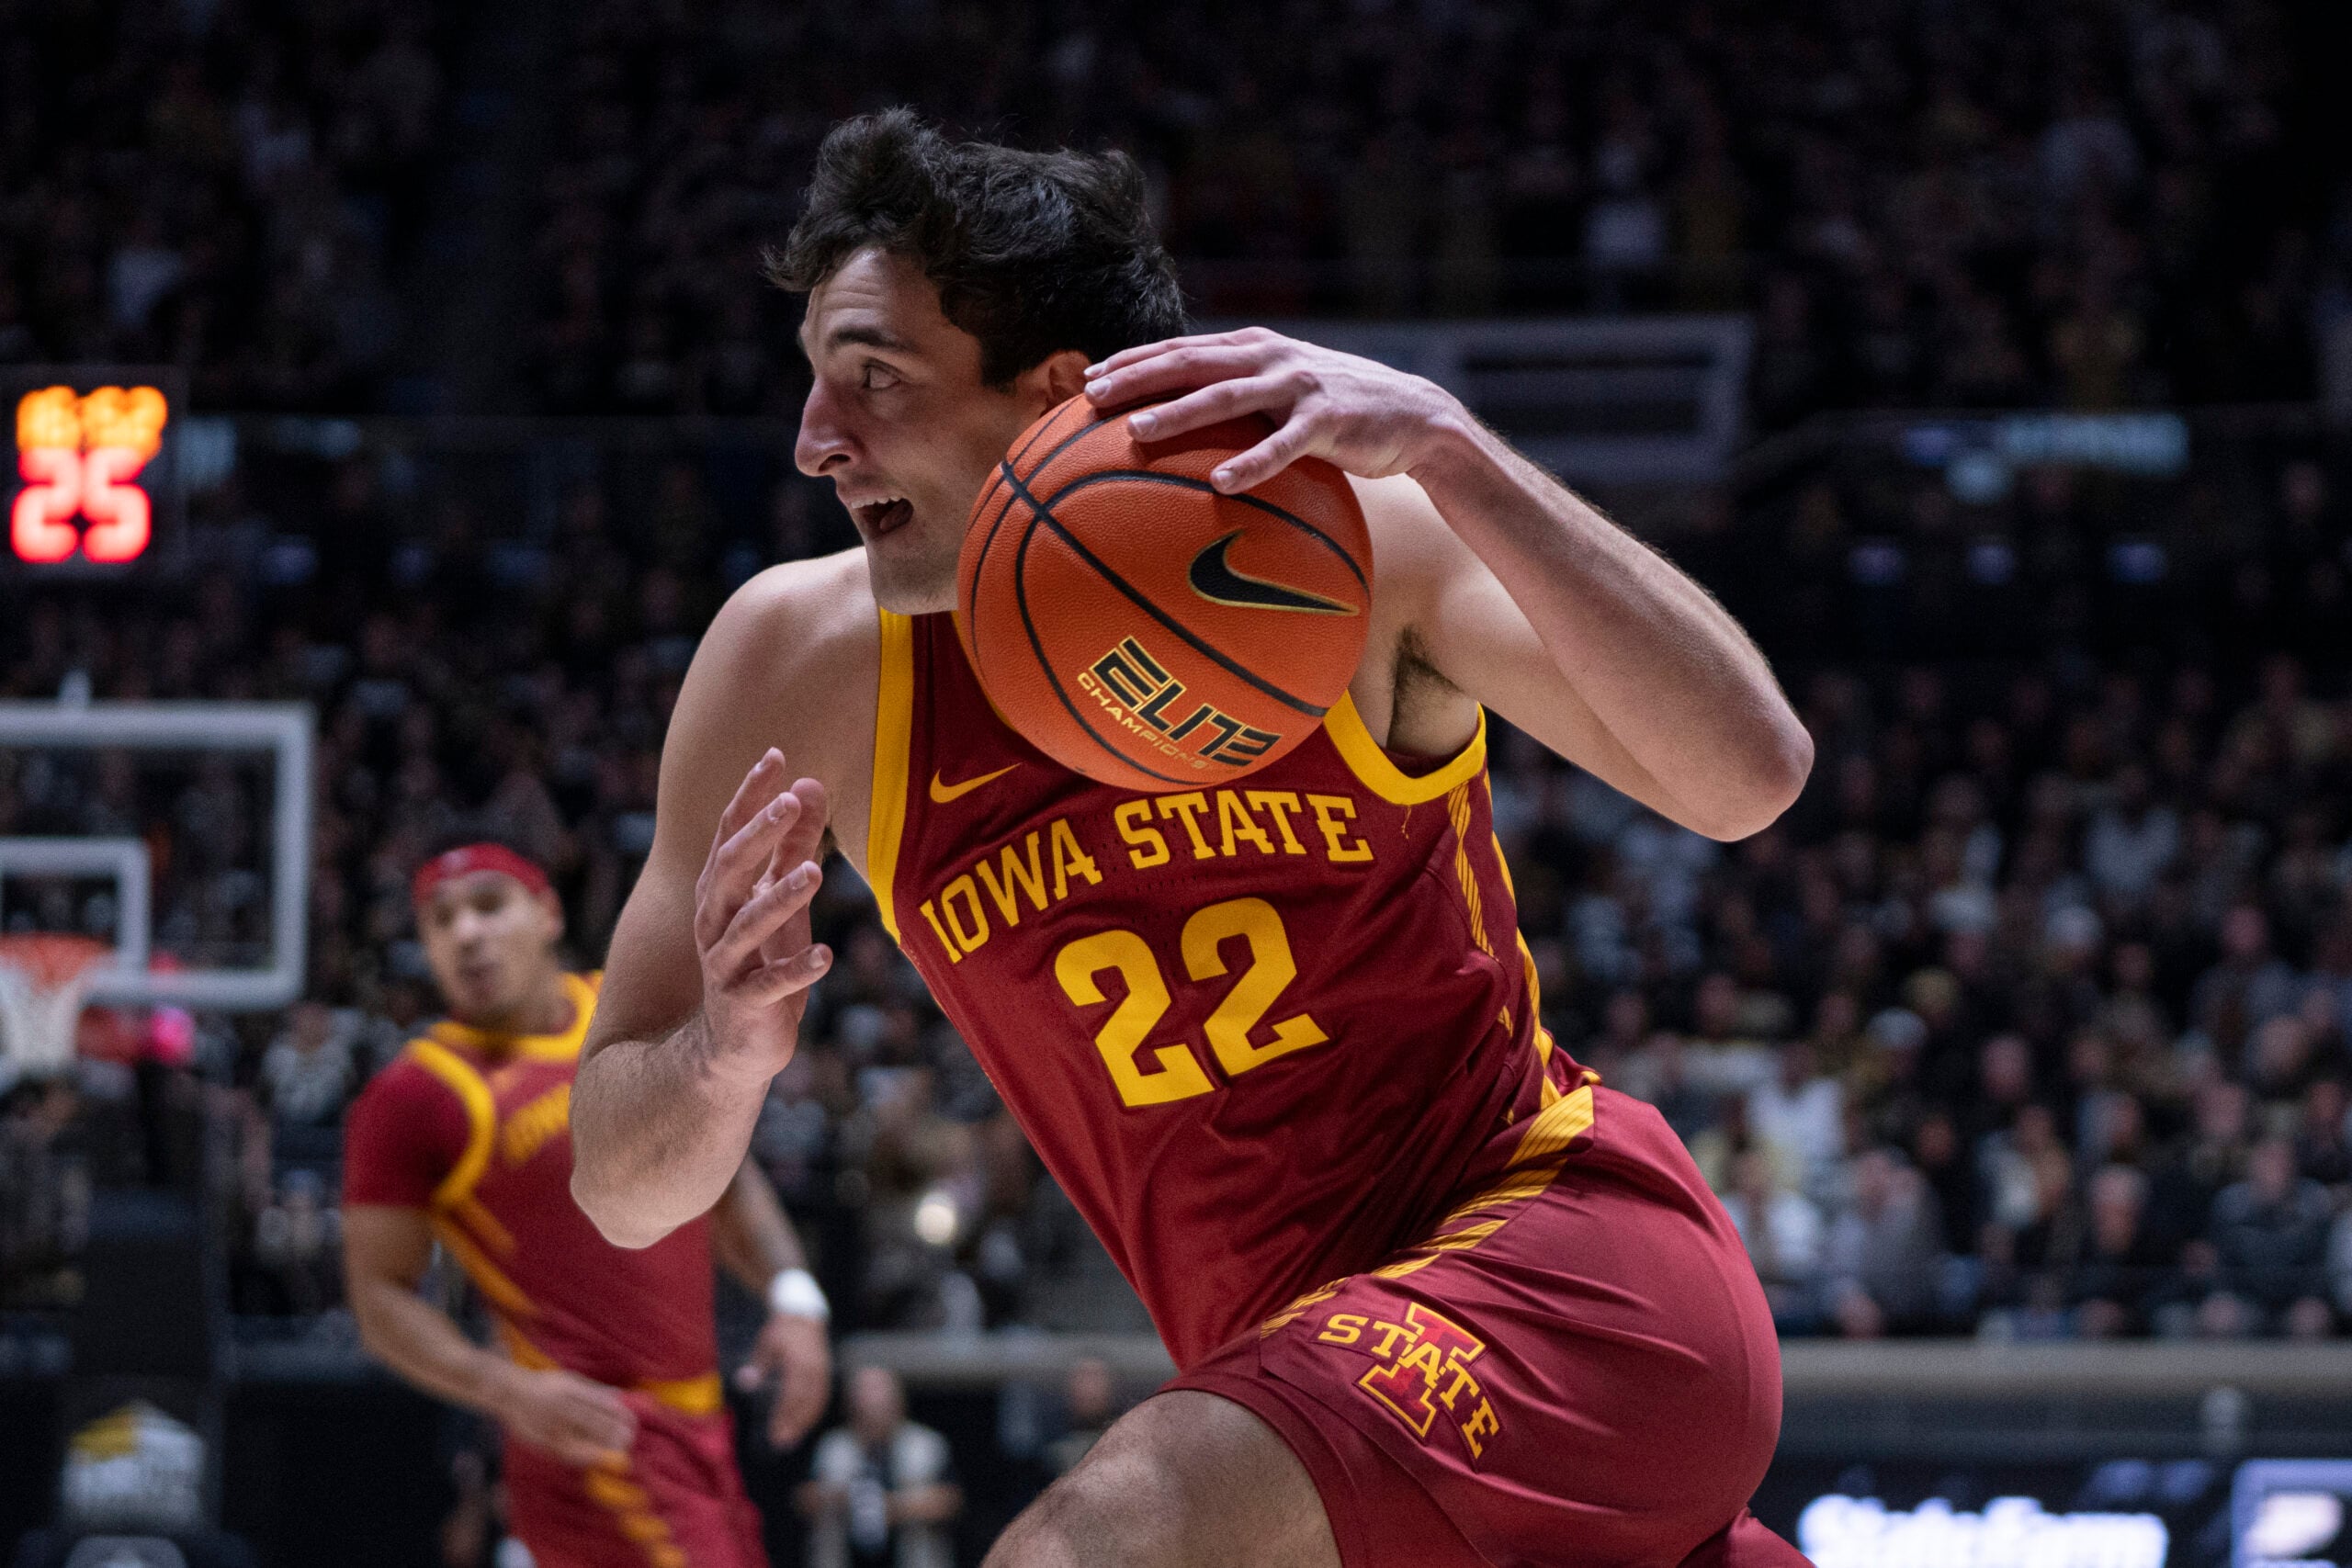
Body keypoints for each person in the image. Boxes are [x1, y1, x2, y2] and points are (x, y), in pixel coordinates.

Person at [571, 112, 1815, 1568]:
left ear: (1052, 392)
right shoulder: (796, 663)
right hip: (1307, 1399)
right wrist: (722, 1056)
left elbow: (1749, 775)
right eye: (813, 385)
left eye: (874, 380)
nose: (812, 442)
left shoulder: (1351, 544)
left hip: (1561, 1270)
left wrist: (1453, 447)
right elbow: (620, 1176)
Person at [343, 841, 835, 1568]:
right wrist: (506, 1390)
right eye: (440, 920)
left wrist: (795, 1300)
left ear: (547, 911)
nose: (466, 933)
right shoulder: (413, 1098)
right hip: (594, 1438)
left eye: (487, 904)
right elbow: (379, 1298)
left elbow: (725, 1178)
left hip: (701, 1419)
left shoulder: (627, 1015)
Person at [798, 1366, 963, 1568]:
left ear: (898, 1403)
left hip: (913, 1555)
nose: (873, 1410)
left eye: (882, 1403)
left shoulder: (926, 1444)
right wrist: (845, 1499)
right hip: (844, 1556)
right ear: (849, 1406)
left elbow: (952, 1500)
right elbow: (803, 1498)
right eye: (864, 1402)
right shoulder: (833, 1446)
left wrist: (892, 1507)